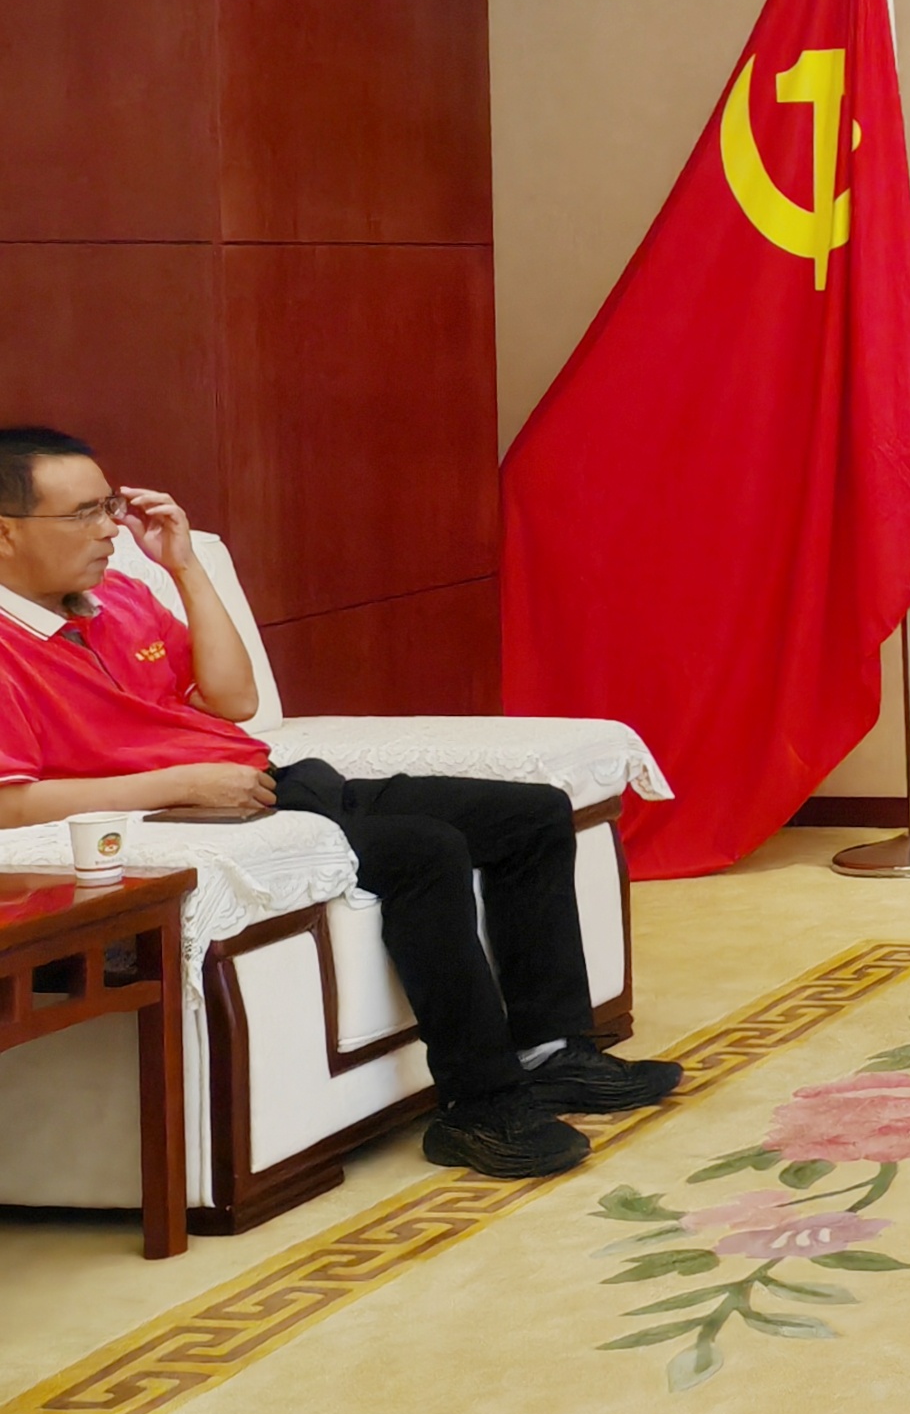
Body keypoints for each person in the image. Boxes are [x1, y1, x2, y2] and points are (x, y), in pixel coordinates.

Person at [0, 429, 681, 1176]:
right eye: (84, 514)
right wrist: (181, 785)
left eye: (110, 507)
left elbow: (234, 699)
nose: (109, 530)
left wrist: (185, 567)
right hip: (197, 812)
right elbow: (12, 804)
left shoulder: (120, 598)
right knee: (423, 851)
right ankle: (480, 1108)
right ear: (6, 533)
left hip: (270, 782)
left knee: (530, 814)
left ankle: (551, 1053)